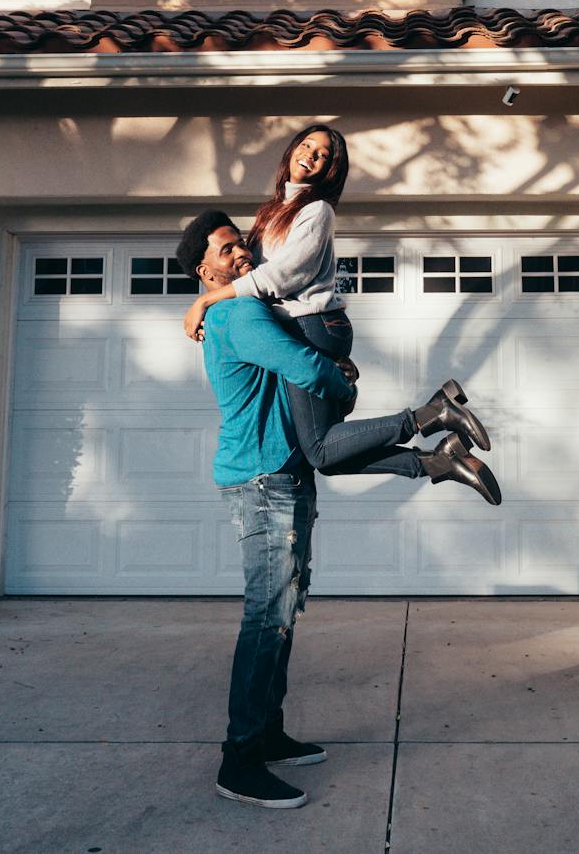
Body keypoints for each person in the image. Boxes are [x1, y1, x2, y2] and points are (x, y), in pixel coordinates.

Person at [176, 211, 499, 810]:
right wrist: (342, 383)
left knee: (284, 612)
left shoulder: (250, 309)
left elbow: (305, 380)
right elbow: (307, 370)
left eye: (242, 245)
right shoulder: (237, 311)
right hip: (262, 479)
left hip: (285, 472)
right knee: (266, 618)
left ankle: (267, 734)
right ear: (204, 269)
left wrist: (329, 371)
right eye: (226, 251)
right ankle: (240, 760)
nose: (241, 255)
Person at [183, 125, 500, 501]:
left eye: (324, 154)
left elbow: (285, 275)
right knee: (329, 454)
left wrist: (205, 301)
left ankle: (432, 414)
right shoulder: (273, 212)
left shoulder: (316, 211)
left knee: (320, 448)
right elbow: (253, 271)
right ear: (291, 152)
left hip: (313, 324)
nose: (312, 155)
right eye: (306, 145)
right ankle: (439, 461)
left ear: (331, 170)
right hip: (303, 326)